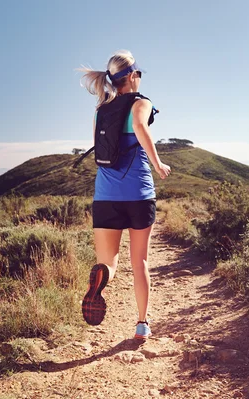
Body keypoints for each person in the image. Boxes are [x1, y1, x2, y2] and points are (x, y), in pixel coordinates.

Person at [78, 50, 171, 340]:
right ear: (132, 77)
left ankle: (101, 277)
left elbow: (98, 146)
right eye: (139, 74)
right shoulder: (141, 103)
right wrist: (158, 164)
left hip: (105, 196)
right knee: (139, 261)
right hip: (139, 195)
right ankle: (142, 324)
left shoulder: (100, 109)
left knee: (109, 261)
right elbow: (141, 128)